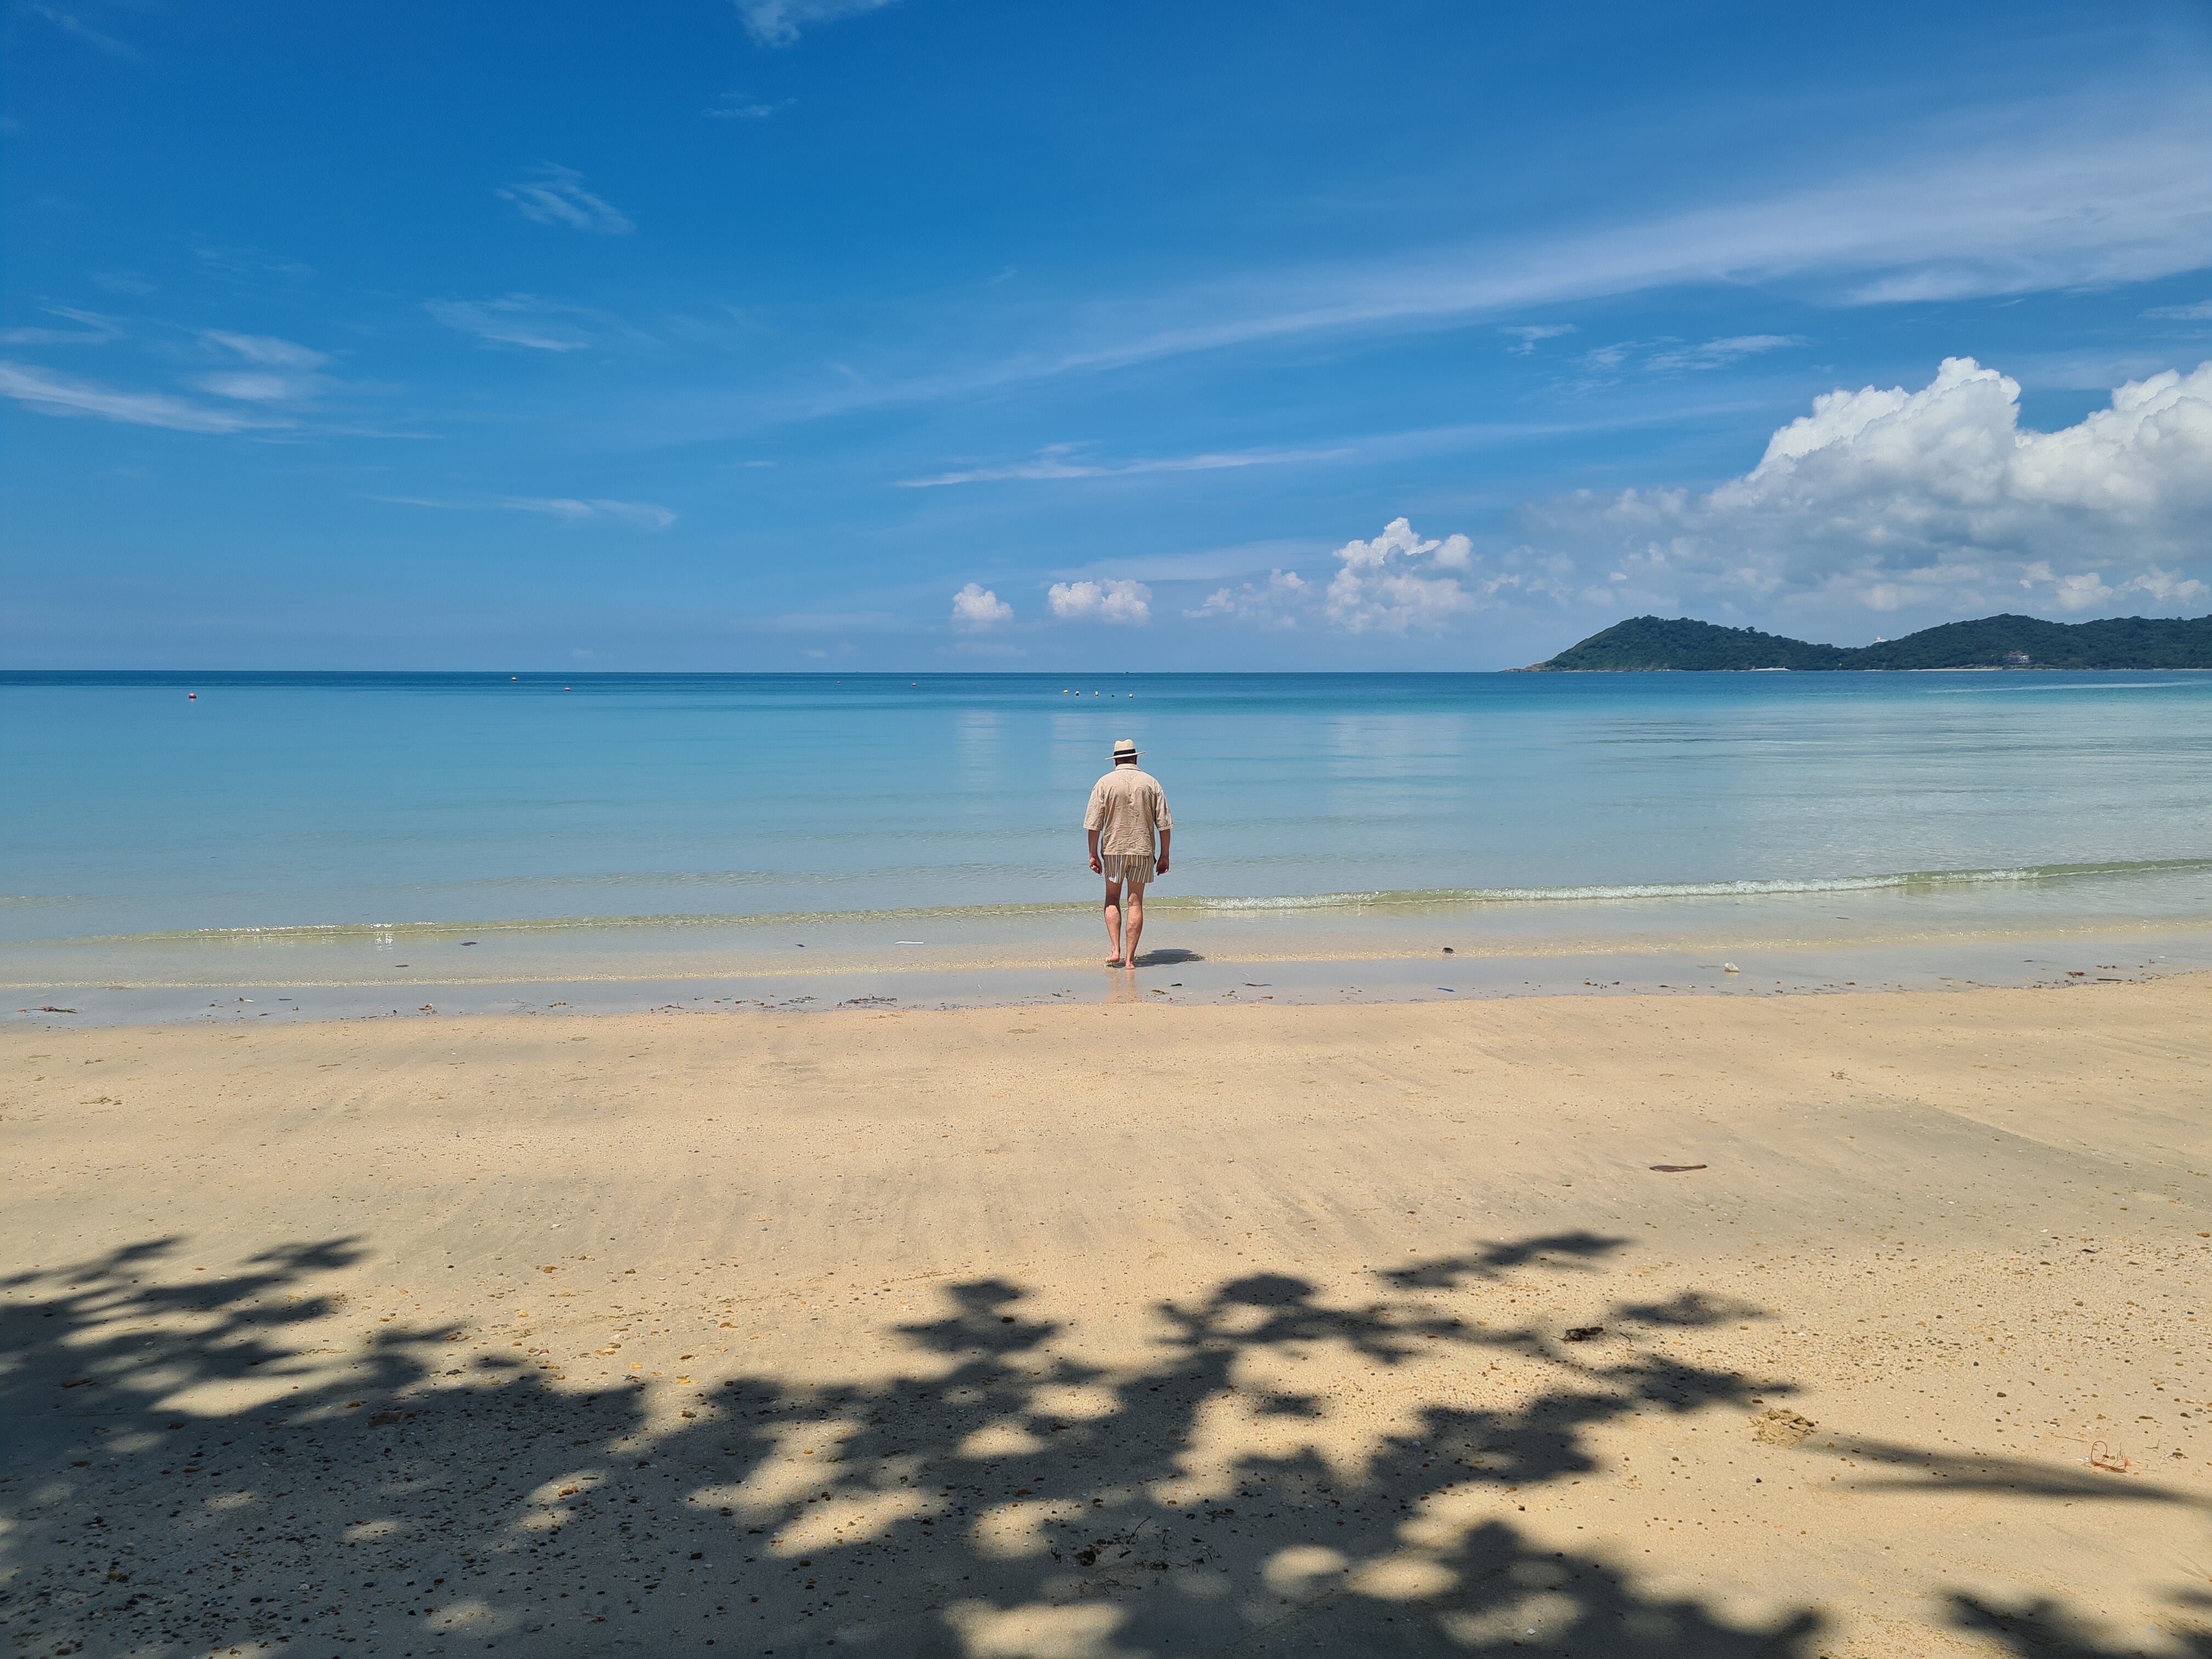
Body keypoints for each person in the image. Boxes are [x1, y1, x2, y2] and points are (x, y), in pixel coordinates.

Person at [1085, 738, 1172, 968]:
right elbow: (1164, 824)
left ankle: (1116, 951)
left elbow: (1094, 824)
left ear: (1116, 761)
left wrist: (1093, 854)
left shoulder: (1104, 783)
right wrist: (1165, 855)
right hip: (1143, 850)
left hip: (1113, 849)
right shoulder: (1151, 783)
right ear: (1135, 758)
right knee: (1135, 902)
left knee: (1112, 899)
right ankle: (1131, 960)